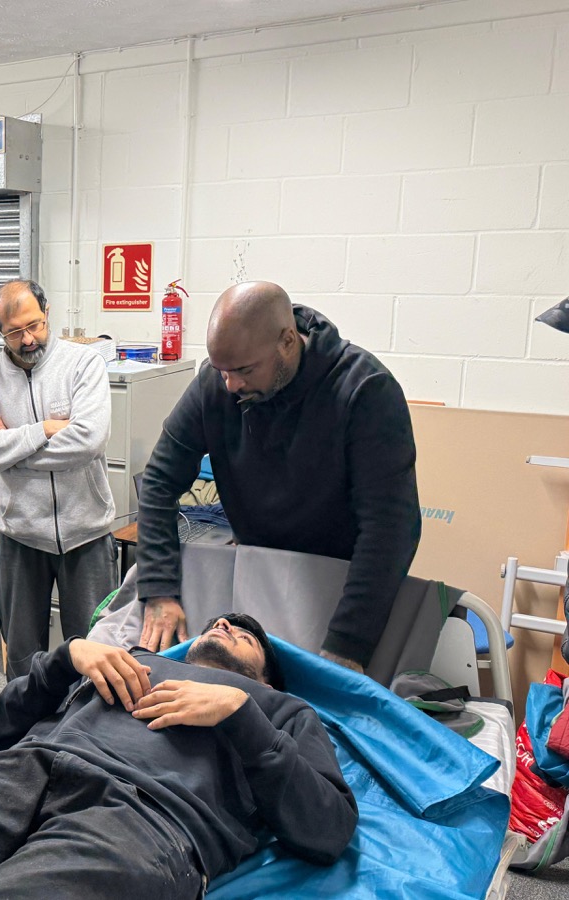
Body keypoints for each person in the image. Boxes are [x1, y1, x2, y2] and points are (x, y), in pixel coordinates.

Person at [0, 613, 357, 899]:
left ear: (265, 677)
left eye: (244, 635)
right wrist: (64, 658)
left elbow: (328, 829)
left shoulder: (280, 710)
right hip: (24, 768)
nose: (226, 623)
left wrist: (241, 714)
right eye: (221, 622)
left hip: (147, 818)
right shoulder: (132, 658)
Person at [136, 281, 421, 673]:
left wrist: (349, 644)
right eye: (221, 370)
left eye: (244, 370)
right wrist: (158, 588)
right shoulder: (217, 384)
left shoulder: (364, 391)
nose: (231, 385)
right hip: (258, 572)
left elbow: (391, 527)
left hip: (336, 581)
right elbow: (159, 480)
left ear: (288, 341)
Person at [0, 279, 116, 679]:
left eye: (35, 325)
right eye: (15, 331)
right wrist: (43, 429)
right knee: (23, 662)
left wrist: (11, 452)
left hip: (87, 535)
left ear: (47, 314)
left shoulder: (84, 365)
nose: (28, 339)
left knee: (96, 655)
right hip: (19, 538)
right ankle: (23, 738)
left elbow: (89, 440)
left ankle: (85, 738)